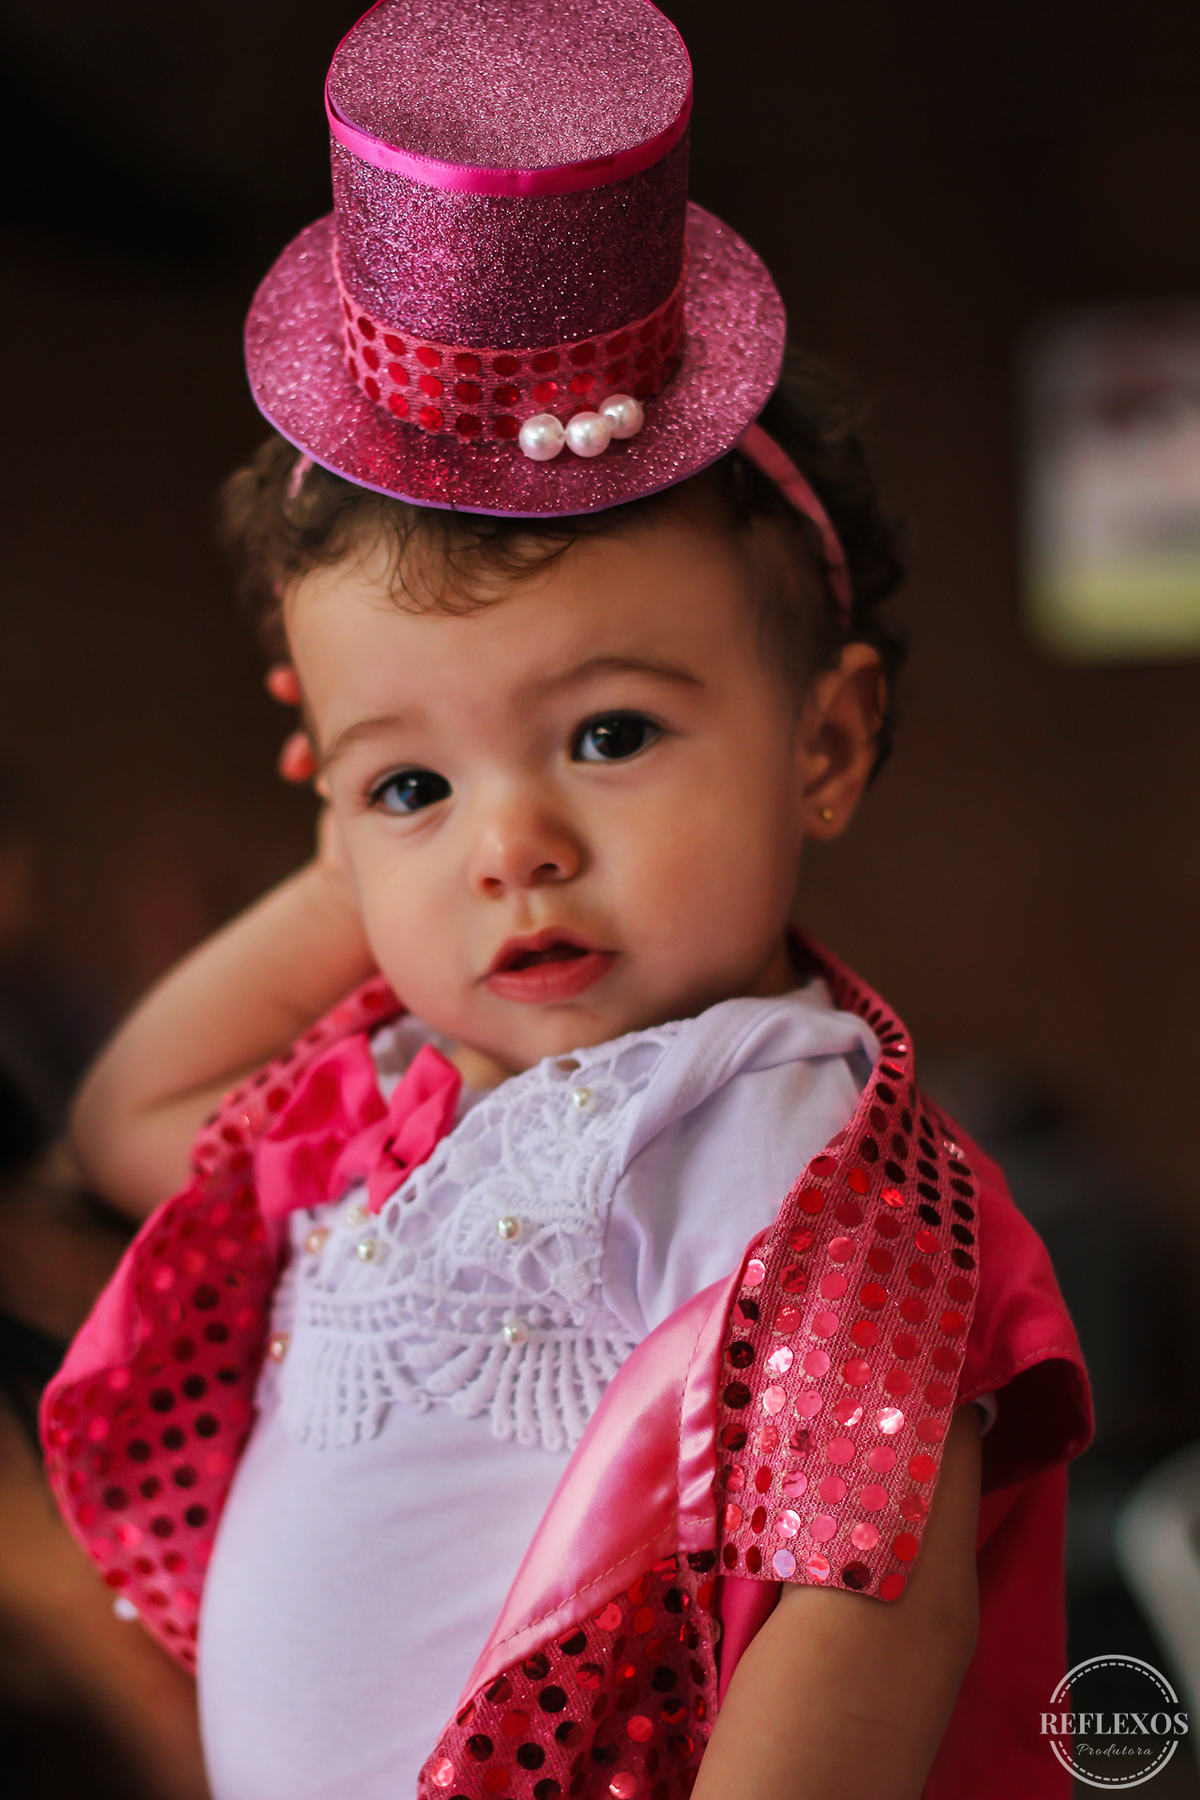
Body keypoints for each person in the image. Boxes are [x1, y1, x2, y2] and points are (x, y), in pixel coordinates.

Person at [40, 4, 1091, 1798]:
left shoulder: (780, 1146)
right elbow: (132, 1123)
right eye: (413, 785)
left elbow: (858, 1589)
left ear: (825, 742)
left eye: (607, 732)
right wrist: (350, 866)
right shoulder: (403, 1117)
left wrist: (399, 806)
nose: (506, 845)